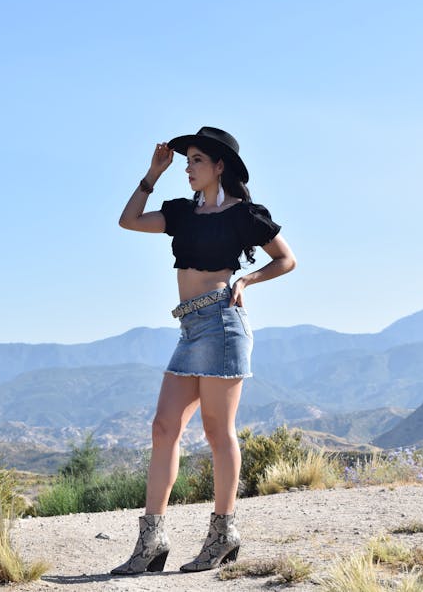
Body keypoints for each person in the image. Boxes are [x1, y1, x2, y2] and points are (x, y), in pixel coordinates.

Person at [110, 126, 296, 575]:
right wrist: (152, 175)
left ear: (219, 167)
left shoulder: (244, 215)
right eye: (186, 160)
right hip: (188, 329)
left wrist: (247, 280)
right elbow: (129, 220)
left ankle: (222, 534)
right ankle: (151, 542)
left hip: (223, 325)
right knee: (162, 427)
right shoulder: (180, 212)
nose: (188, 168)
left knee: (218, 431)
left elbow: (286, 258)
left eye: (196, 160)